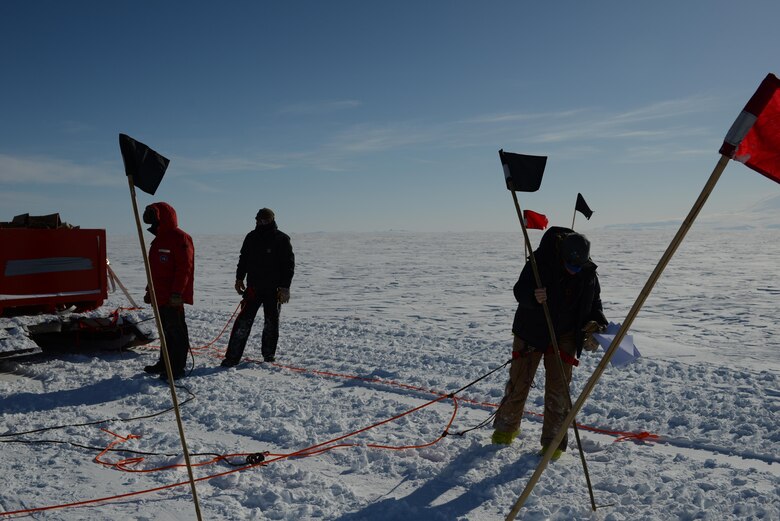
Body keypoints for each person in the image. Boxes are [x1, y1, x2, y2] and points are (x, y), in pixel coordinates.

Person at [492, 226, 607, 459]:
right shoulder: (540, 261)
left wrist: (597, 323)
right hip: (531, 331)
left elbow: (594, 303)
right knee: (519, 383)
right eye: (570, 266)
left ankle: (553, 443)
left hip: (564, 336)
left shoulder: (588, 272)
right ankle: (505, 430)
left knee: (559, 390)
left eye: (579, 267)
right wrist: (533, 296)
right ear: (562, 255)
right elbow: (520, 290)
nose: (574, 271)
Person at [221, 208, 294, 367]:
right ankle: (232, 357)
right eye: (259, 220)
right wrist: (239, 278)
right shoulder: (251, 237)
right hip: (253, 288)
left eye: (265, 220)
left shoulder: (282, 239)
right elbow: (243, 258)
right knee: (243, 322)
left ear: (272, 220)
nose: (262, 223)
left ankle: (269, 355)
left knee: (271, 323)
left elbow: (288, 266)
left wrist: (285, 288)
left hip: (273, 290)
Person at [141, 202, 195, 381]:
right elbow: (154, 271)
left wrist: (177, 293)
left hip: (173, 297)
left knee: (176, 332)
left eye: (153, 218)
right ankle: (164, 363)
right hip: (160, 295)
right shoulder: (158, 240)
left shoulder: (180, 238)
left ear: (161, 217)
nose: (151, 224)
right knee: (165, 331)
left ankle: (177, 368)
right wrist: (150, 290)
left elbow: (184, 269)